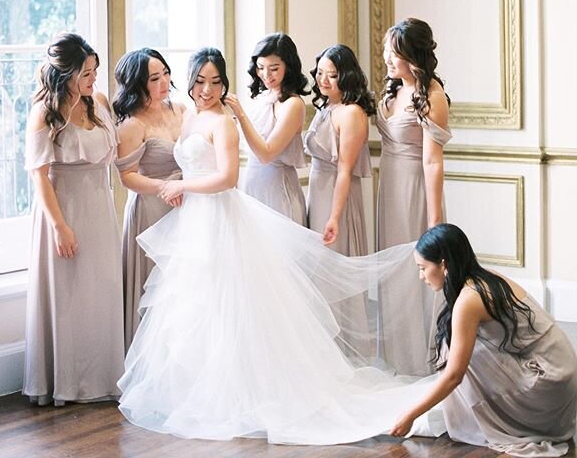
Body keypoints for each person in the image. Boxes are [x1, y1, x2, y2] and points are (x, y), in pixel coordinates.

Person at [118, 47, 443, 444]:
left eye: (216, 81)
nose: (207, 89)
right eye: (200, 81)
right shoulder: (188, 117)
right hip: (193, 221)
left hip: (218, 215)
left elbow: (226, 178)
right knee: (195, 307)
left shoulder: (223, 122)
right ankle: (198, 387)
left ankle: (241, 393)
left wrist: (181, 185)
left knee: (228, 305)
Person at [391, 224, 577, 457]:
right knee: (460, 345)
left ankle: (487, 421)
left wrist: (411, 415)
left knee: (459, 354)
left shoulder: (469, 299)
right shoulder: (485, 278)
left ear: (444, 265)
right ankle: (469, 414)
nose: (421, 277)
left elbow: (454, 376)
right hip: (562, 373)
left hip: (549, 384)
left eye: (423, 268)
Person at [23, 32, 124, 405]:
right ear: (64, 75)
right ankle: (64, 382)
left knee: (102, 289)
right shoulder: (44, 114)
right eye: (86, 73)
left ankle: (102, 377)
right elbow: (39, 175)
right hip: (62, 206)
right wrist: (60, 226)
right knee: (68, 296)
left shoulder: (96, 102)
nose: (93, 79)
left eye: (94, 71)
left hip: (99, 205)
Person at [112, 48, 185, 350]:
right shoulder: (132, 125)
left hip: (186, 206)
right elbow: (127, 176)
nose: (164, 82)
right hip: (152, 209)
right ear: (137, 84)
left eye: (165, 73)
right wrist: (163, 188)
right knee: (153, 284)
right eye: (154, 78)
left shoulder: (180, 109)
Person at [376, 18, 451, 250]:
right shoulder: (396, 87)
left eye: (394, 53)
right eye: (386, 51)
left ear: (413, 56)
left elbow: (432, 162)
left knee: (414, 255)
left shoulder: (432, 97)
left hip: (414, 187)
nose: (387, 58)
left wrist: (434, 219)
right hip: (389, 183)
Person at [225, 32, 308, 225]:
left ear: (289, 67)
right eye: (260, 68)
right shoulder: (263, 98)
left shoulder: (293, 105)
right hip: (254, 183)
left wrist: (240, 113)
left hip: (278, 188)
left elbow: (266, 154)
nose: (266, 75)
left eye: (274, 69)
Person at [304, 44, 375, 256]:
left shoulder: (351, 112)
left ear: (346, 76)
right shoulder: (326, 106)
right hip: (318, 191)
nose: (323, 80)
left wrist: (334, 216)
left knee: (334, 254)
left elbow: (345, 170)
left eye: (332, 75)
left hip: (337, 194)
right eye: (320, 73)